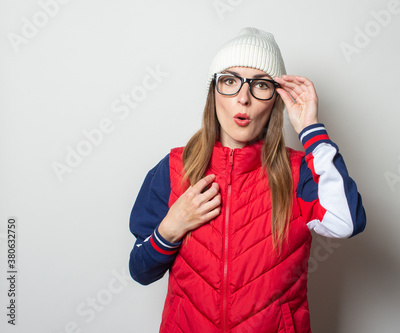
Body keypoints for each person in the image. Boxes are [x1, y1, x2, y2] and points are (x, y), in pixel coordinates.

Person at [128, 27, 366, 333]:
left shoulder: (300, 172)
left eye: (260, 86)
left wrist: (311, 129)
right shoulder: (174, 168)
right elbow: (140, 270)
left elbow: (345, 221)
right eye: (229, 81)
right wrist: (170, 229)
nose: (243, 98)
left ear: (275, 100)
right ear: (213, 92)